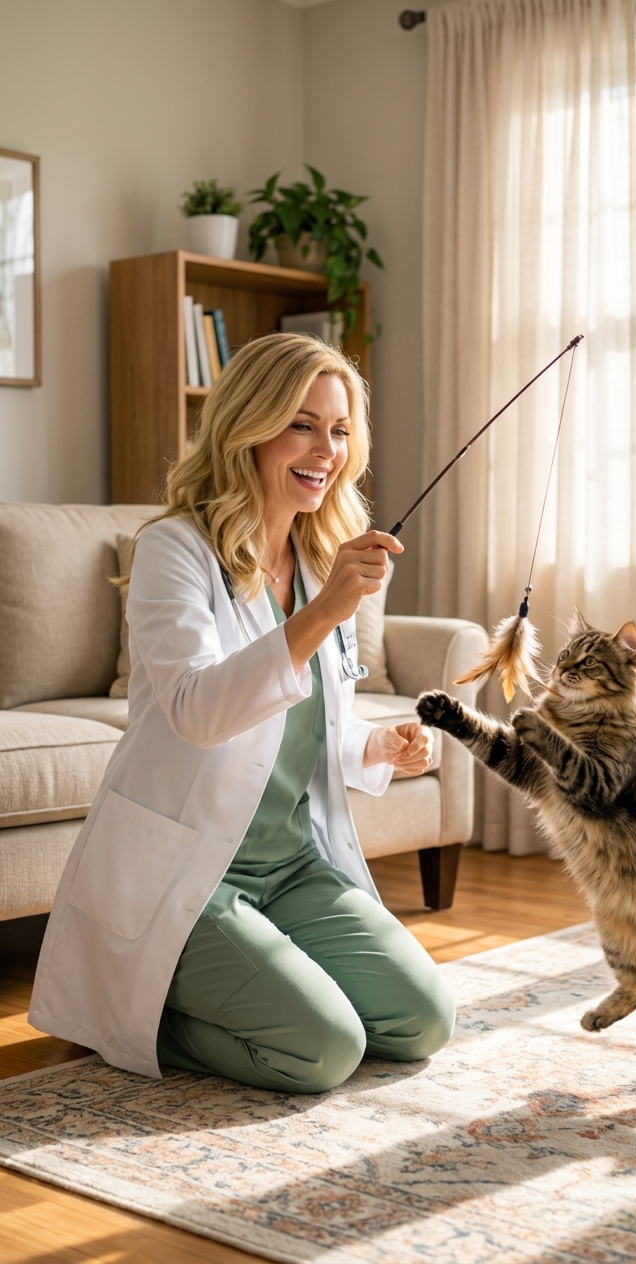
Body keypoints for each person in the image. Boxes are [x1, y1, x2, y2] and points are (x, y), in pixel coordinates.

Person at [29, 333, 455, 1091]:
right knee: (325, 1049)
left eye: (340, 429)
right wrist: (323, 613)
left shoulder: (322, 562)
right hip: (190, 875)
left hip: (290, 868)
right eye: (302, 423)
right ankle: (136, 1015)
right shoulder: (173, 550)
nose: (325, 449)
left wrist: (375, 747)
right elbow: (198, 709)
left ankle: (228, 994)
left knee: (422, 1020)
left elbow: (294, 728)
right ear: (247, 426)